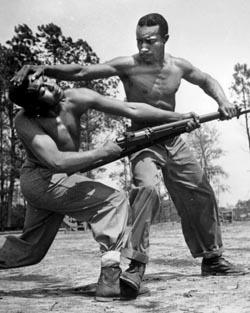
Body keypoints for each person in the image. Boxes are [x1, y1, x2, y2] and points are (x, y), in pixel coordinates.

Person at [12, 12, 248, 289]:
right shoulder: (128, 65)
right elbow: (83, 72)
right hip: (142, 139)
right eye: (139, 42)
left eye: (150, 41)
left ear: (165, 39)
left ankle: (212, 259)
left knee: (200, 190)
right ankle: (135, 265)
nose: (143, 48)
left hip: (174, 137)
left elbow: (207, 80)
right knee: (146, 189)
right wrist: (43, 69)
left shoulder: (178, 66)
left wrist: (223, 101)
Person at [1, 74, 198, 301]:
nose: (50, 86)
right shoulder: (25, 120)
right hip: (42, 180)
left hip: (58, 179)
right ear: (32, 104)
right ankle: (110, 281)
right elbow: (56, 161)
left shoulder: (75, 97)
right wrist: (103, 151)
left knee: (30, 251)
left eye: (46, 80)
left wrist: (179, 118)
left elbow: (131, 109)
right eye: (41, 90)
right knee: (113, 201)